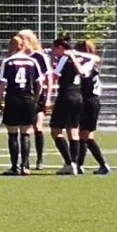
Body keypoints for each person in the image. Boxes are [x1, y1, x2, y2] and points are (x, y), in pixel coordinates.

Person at [0, 35, 43, 175]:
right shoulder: (33, 61)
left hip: (13, 99)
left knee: (12, 133)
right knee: (26, 132)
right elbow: (40, 83)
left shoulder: (8, 62)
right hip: (28, 99)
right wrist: (35, 98)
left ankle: (14, 167)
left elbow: (3, 83)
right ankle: (25, 166)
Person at [49, 35, 85, 175]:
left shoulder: (64, 58)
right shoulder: (78, 57)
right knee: (73, 131)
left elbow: (54, 76)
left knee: (56, 131)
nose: (53, 52)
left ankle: (69, 163)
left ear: (60, 48)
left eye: (54, 49)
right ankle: (75, 164)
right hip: (78, 96)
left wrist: (51, 65)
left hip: (66, 96)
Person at [18, 29, 53, 171]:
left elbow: (48, 78)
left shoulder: (39, 56)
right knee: (24, 128)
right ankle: (24, 161)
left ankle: (40, 159)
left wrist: (48, 98)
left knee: (38, 127)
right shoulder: (18, 56)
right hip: (22, 97)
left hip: (37, 96)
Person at [74, 39, 110, 176]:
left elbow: (83, 74)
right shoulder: (92, 63)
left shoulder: (88, 64)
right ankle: (79, 164)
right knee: (82, 134)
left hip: (90, 100)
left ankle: (103, 164)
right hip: (89, 100)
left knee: (86, 135)